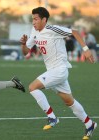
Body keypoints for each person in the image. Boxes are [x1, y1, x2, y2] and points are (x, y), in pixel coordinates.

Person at [20, 7, 97, 140]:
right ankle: (90, 124)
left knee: (32, 87)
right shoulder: (34, 32)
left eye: (36, 19)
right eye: (32, 19)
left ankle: (52, 117)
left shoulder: (52, 29)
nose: (33, 22)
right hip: (53, 71)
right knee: (69, 102)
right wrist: (23, 44)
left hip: (60, 69)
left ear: (44, 20)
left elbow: (74, 32)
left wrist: (86, 49)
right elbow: (26, 52)